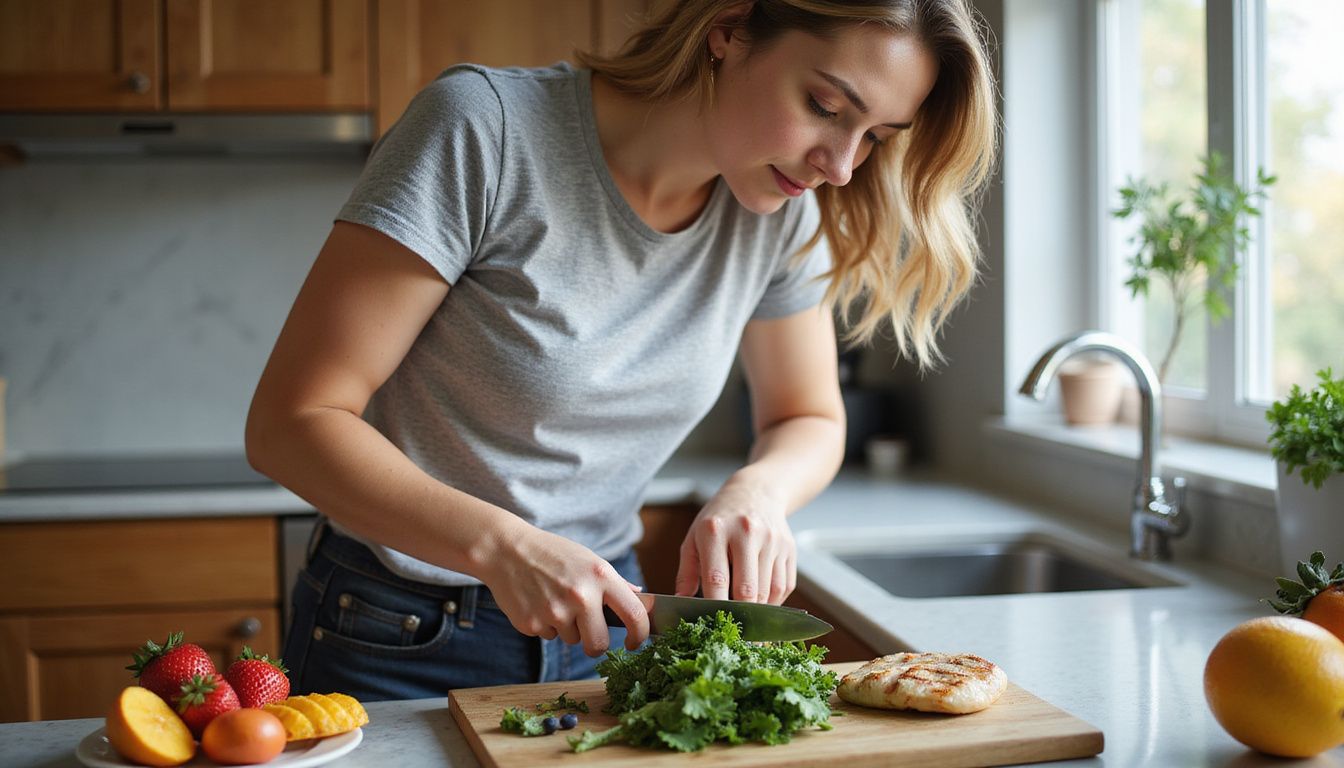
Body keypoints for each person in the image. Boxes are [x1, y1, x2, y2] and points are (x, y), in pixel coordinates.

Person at [245, 0, 996, 701]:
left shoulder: (780, 209)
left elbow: (808, 416)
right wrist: (504, 547)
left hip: (615, 628)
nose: (839, 165)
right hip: (398, 632)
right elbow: (293, 423)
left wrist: (758, 490)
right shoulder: (487, 128)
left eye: (875, 139)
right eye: (825, 108)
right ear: (729, 31)